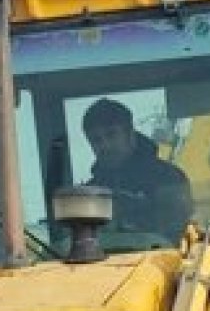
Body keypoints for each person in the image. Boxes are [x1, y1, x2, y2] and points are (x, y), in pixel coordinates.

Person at [82, 99, 192, 244]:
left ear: (130, 135)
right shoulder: (90, 194)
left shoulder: (168, 179)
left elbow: (176, 238)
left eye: (111, 134)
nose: (105, 145)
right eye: (96, 140)